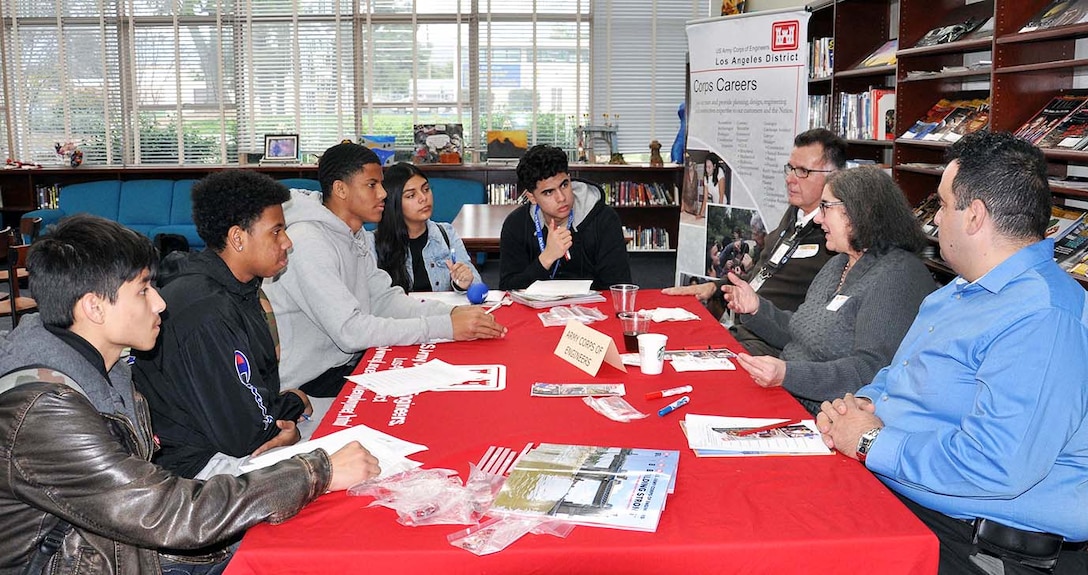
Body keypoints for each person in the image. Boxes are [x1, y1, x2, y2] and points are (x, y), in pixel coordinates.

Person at [0, 215, 379, 574]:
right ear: (94, 308)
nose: (160, 303)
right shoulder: (46, 409)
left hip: (121, 544)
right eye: (143, 290)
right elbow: (165, 513)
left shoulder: (104, 365)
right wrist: (317, 471)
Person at [817, 131, 1088, 575]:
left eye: (942, 205)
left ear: (975, 216)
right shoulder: (958, 291)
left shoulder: (1043, 317)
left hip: (974, 543)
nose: (934, 219)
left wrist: (870, 441)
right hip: (900, 491)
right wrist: (864, 403)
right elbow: (898, 374)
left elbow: (995, 466)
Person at [263, 143, 506, 397]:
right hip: (311, 383)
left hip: (347, 363)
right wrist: (447, 326)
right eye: (372, 185)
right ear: (340, 189)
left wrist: (455, 313)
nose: (382, 194)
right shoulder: (308, 242)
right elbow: (351, 331)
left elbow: (384, 300)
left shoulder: (354, 235)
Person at [134, 170, 309, 480]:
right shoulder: (207, 310)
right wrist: (292, 407)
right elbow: (244, 437)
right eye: (276, 231)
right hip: (196, 467)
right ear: (238, 238)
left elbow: (248, 389)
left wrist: (286, 407)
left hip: (230, 438)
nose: (287, 242)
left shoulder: (238, 286)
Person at [722, 166, 935, 415]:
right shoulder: (838, 263)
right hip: (790, 394)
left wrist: (787, 374)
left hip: (824, 414)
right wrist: (757, 309)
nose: (817, 218)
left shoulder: (897, 276)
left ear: (859, 212)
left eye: (825, 207)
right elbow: (804, 333)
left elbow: (869, 370)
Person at [664, 128, 846, 355]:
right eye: (790, 169)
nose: (790, 179)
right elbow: (762, 273)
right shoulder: (795, 214)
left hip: (773, 344)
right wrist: (714, 286)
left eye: (803, 171)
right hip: (743, 329)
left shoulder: (836, 238)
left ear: (834, 176)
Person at [499, 144, 632, 291]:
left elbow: (618, 287)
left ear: (569, 179)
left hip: (591, 310)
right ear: (532, 197)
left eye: (564, 185)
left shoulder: (604, 219)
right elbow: (508, 289)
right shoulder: (515, 225)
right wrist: (547, 258)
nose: (561, 198)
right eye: (548, 192)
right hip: (535, 311)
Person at [372, 162, 481, 293]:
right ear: (393, 203)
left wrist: (462, 283)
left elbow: (477, 285)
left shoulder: (446, 233)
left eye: (426, 189)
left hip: (442, 312)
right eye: (411, 195)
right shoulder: (372, 243)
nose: (423, 198)